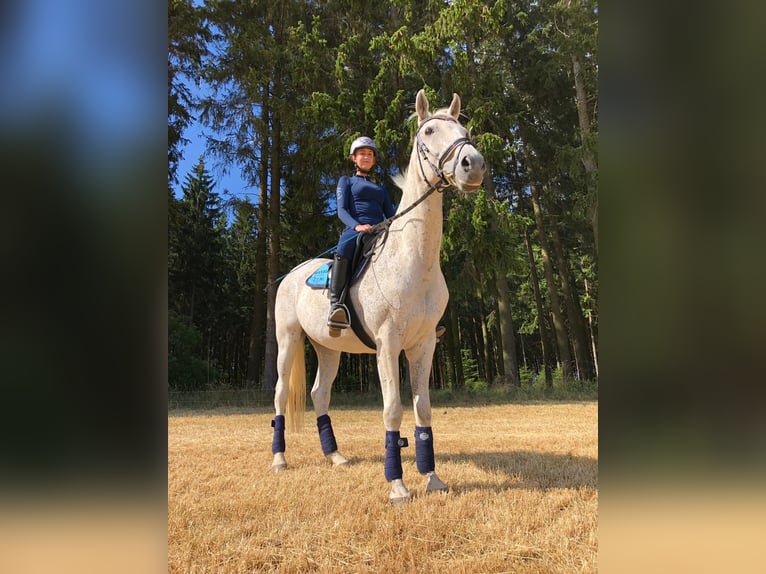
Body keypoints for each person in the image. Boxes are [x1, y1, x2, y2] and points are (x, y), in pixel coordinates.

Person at [327, 136, 396, 329]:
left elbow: (390, 215)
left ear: (373, 160)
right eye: (362, 154)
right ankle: (336, 305)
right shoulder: (346, 181)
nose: (366, 157)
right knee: (345, 245)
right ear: (354, 158)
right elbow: (341, 210)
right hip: (356, 230)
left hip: (379, 231)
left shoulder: (381, 189)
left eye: (369, 154)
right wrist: (357, 227)